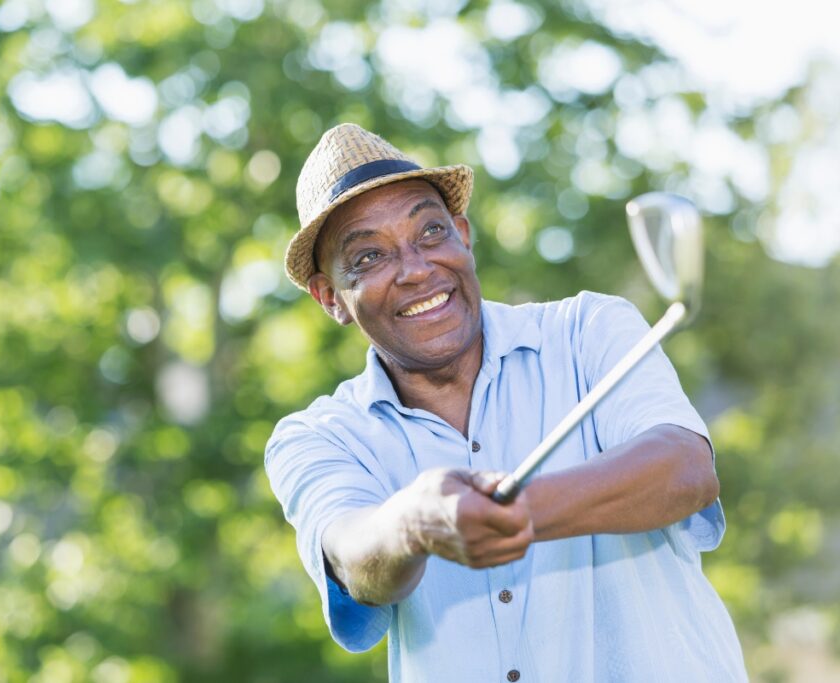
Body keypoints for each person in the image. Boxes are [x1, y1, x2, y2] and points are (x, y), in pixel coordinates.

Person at [264, 123, 747, 682]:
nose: (417, 269)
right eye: (370, 256)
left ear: (463, 236)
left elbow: (684, 469)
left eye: (430, 233)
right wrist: (417, 523)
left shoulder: (588, 329)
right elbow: (351, 555)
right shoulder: (318, 436)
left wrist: (515, 511)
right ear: (331, 297)